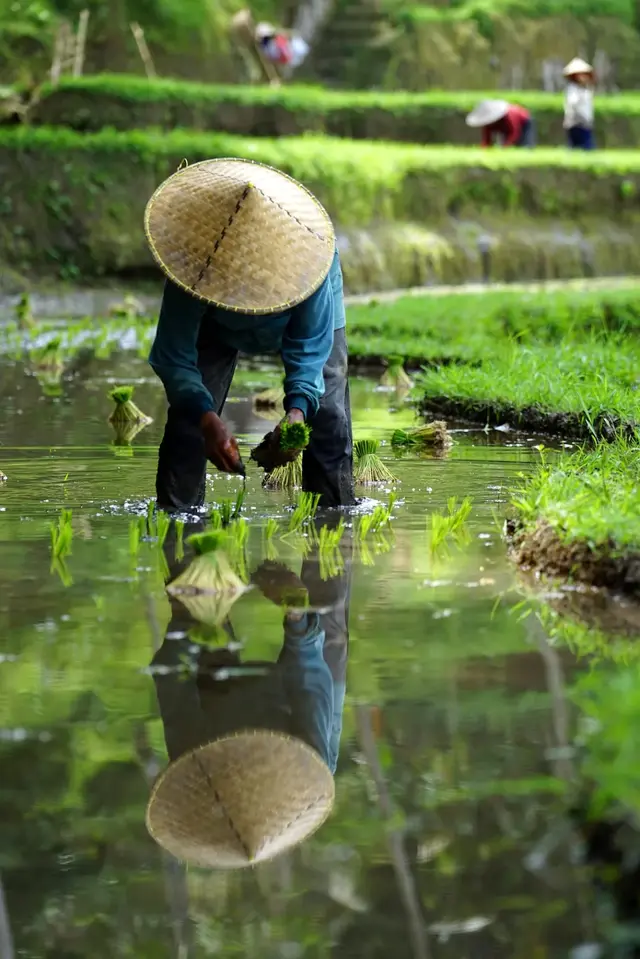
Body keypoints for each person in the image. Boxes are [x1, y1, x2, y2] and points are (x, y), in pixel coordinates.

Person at [144, 157, 355, 512]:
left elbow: (310, 350)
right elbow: (174, 355)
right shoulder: (194, 261)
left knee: (329, 416)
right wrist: (205, 416)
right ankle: (178, 518)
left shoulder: (312, 258)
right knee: (187, 425)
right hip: (215, 324)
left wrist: (297, 413)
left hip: (298, 317)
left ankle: (332, 517)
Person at [146, 521, 351, 867]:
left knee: (192, 584)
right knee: (326, 608)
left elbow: (171, 675)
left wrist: (192, 614)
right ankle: (331, 514)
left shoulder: (192, 755)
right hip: (313, 685)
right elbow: (309, 682)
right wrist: (297, 615)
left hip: (219, 691)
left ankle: (187, 514)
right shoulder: (312, 764)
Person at [466, 99, 535, 148]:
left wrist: (505, 146)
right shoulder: (488, 123)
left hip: (524, 121)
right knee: (505, 143)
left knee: (525, 145)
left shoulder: (509, 116)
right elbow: (487, 137)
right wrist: (484, 148)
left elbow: (514, 132)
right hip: (506, 125)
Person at [563, 57, 595, 151]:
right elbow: (573, 105)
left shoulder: (586, 90)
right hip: (577, 124)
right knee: (584, 148)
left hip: (585, 124)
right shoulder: (572, 90)